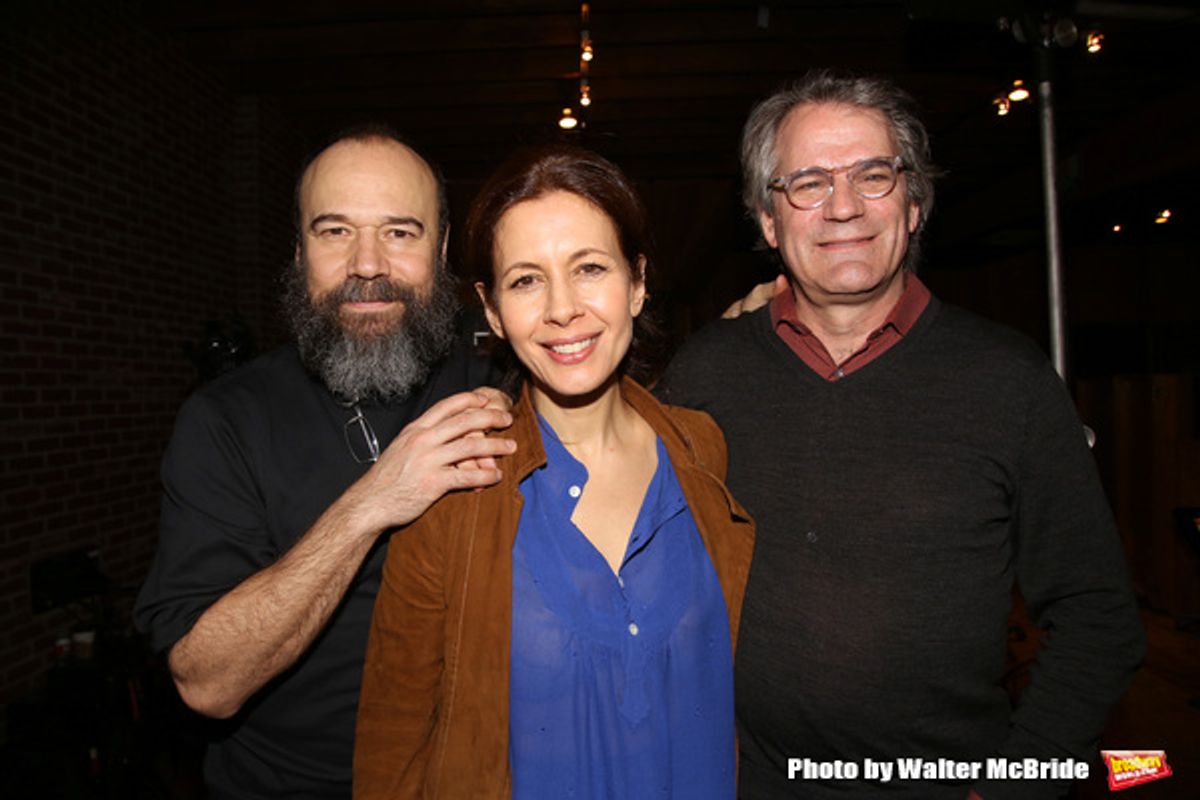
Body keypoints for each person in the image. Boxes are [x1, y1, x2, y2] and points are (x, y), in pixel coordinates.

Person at [659, 71, 1145, 800]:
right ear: (769, 221)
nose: (844, 206)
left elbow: (1097, 615)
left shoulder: (1009, 381)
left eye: (873, 175)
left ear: (913, 203)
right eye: (809, 183)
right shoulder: (706, 374)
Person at [353, 145, 755, 799]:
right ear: (491, 310)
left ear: (638, 282)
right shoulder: (453, 491)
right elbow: (392, 749)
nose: (562, 308)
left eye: (589, 268)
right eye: (525, 281)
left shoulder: (704, 452)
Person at [134, 126, 516, 799]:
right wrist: (372, 503)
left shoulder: (505, 390)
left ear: (440, 250)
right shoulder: (226, 421)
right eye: (335, 231)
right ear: (299, 250)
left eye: (399, 232)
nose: (367, 264)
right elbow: (206, 684)